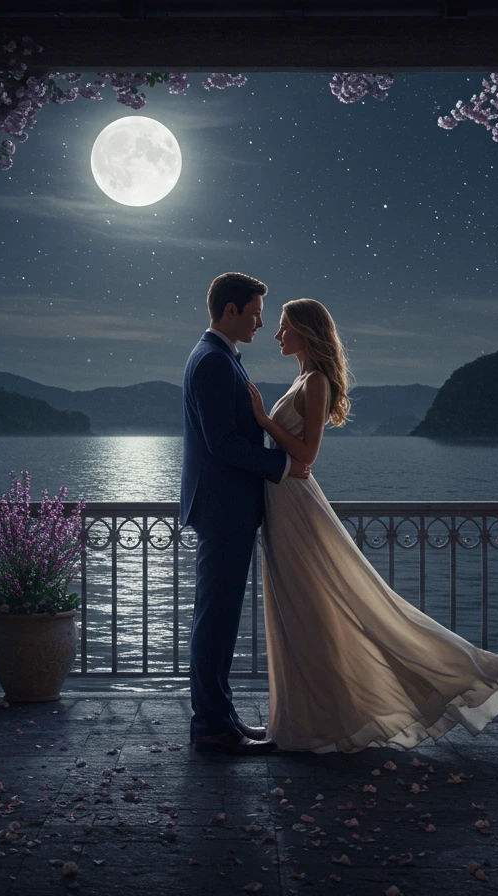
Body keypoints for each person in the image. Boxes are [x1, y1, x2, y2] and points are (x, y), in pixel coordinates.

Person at [247, 298, 498, 752]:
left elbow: (308, 455)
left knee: (318, 607)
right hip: (283, 502)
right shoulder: (301, 378)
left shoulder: (314, 381)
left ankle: (452, 675)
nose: (277, 336)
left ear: (306, 332)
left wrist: (261, 420)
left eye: (283, 328)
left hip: (295, 505)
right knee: (301, 613)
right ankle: (303, 722)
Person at [180, 272, 312, 755]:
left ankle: (222, 719)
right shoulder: (213, 362)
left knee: (218, 618)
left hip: (225, 508)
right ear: (230, 310)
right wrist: (283, 464)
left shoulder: (218, 357)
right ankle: (212, 727)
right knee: (215, 621)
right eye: (256, 312)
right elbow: (224, 443)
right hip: (222, 510)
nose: (261, 322)